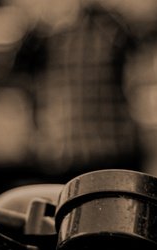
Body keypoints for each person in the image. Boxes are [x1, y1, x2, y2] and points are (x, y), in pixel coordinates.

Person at [13, 0, 144, 182]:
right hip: (70, 150)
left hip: (108, 150)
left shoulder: (110, 26)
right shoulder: (47, 31)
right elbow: (22, 75)